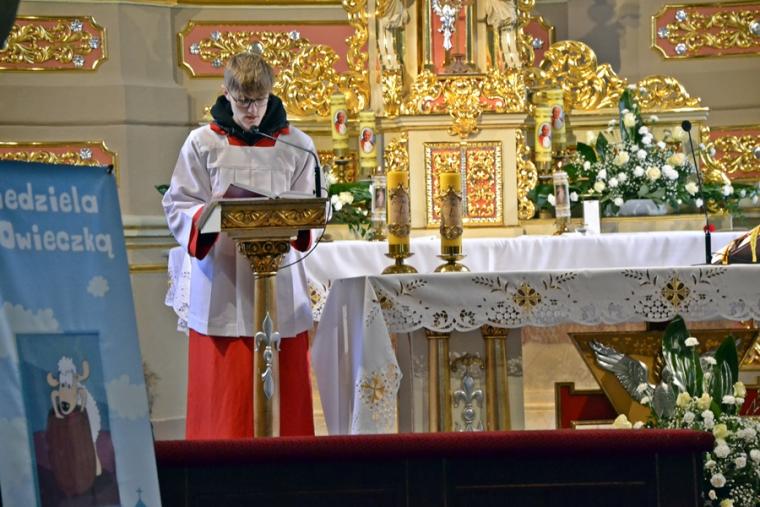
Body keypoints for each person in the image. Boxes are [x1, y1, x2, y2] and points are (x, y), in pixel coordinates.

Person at [162, 52, 318, 439]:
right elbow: (179, 203)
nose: (251, 111)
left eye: (259, 101)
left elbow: (313, 208)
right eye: (243, 101)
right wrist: (211, 214)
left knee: (285, 405)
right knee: (225, 406)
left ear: (271, 94)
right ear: (225, 93)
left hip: (279, 281)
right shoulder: (202, 143)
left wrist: (297, 224)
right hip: (223, 280)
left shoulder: (297, 145)